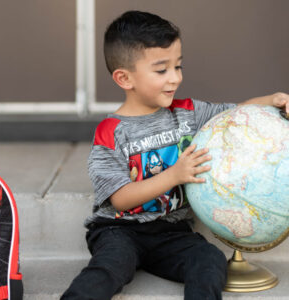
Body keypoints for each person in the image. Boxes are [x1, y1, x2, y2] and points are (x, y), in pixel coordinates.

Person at [61, 10, 289, 300]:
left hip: (172, 231)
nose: (175, 78)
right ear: (124, 78)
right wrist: (174, 175)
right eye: (161, 70)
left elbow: (236, 114)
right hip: (119, 230)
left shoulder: (186, 113)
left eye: (178, 66)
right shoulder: (111, 132)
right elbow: (120, 198)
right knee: (108, 269)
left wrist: (273, 100)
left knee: (209, 262)